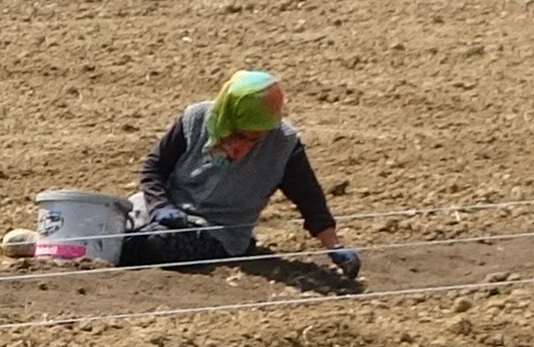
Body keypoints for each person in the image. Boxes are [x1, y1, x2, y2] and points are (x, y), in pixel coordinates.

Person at [122, 69, 360, 281]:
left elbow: (310, 199)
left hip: (219, 232)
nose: (258, 137)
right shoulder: (195, 119)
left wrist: (334, 247)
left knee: (156, 244)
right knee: (113, 227)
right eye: (247, 131)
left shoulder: (283, 144)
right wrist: (161, 207)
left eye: (262, 131)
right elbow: (153, 168)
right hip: (164, 211)